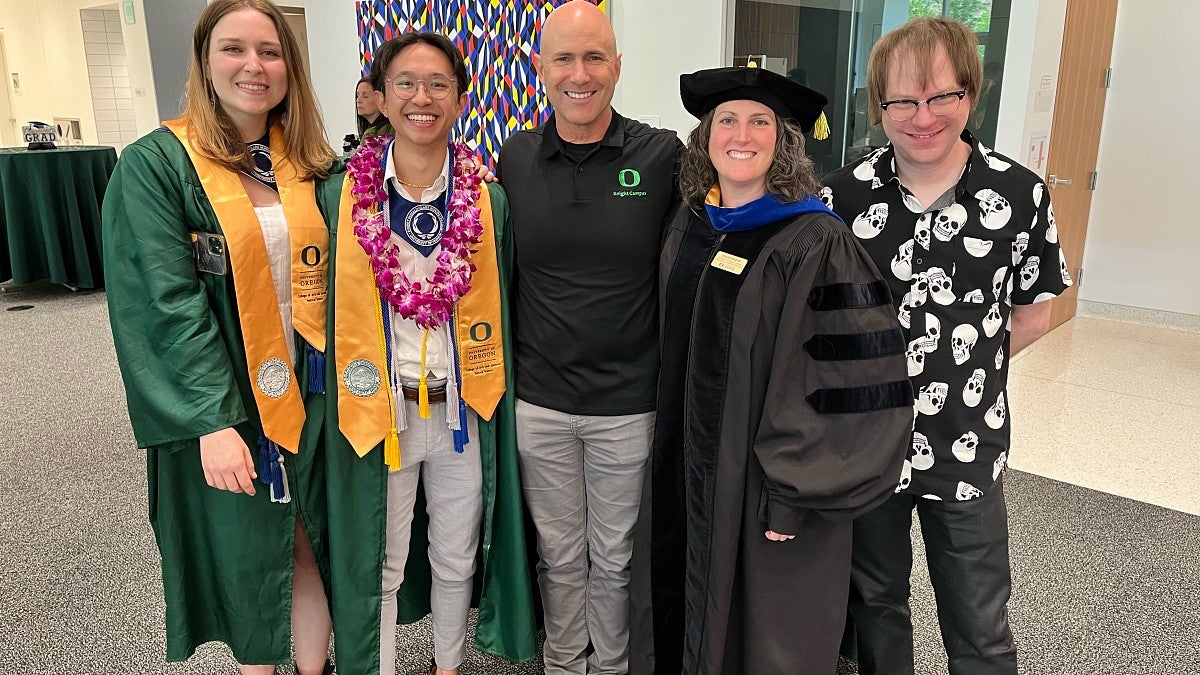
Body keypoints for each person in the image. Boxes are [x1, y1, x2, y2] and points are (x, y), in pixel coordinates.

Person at [628, 65, 914, 675]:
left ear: (782, 141)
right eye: (726, 120)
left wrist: (793, 495)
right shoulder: (691, 224)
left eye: (760, 121)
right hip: (686, 473)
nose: (741, 133)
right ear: (706, 137)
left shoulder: (815, 241)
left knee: (764, 633)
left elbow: (836, 382)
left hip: (764, 488)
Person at [822, 18, 1073, 675]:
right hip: (869, 446)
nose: (922, 116)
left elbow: (1034, 316)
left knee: (980, 621)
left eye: (942, 96)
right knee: (876, 603)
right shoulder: (842, 198)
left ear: (971, 94)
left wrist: (962, 367)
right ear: (879, 105)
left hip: (968, 442)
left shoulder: (1019, 195)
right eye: (902, 100)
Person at [102, 1, 336, 673]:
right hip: (228, 395)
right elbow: (163, 301)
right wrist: (211, 420)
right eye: (234, 49)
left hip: (312, 391)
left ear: (290, 67)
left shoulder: (308, 162)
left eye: (270, 51)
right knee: (246, 549)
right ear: (204, 60)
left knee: (310, 538)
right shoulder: (158, 164)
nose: (254, 66)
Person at [322, 31, 536, 675]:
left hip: (459, 411)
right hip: (376, 411)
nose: (423, 97)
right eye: (406, 83)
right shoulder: (340, 196)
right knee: (382, 559)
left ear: (460, 97)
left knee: (456, 553)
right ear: (378, 99)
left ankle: (447, 666)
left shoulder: (487, 200)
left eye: (439, 83)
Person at [495, 1, 682, 672]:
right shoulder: (514, 157)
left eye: (594, 57)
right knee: (560, 555)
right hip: (539, 402)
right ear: (539, 68)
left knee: (617, 557)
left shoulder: (661, 155)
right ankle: (564, 663)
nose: (581, 73)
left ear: (618, 66)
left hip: (628, 404)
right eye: (565, 59)